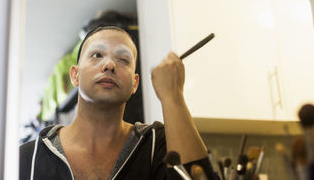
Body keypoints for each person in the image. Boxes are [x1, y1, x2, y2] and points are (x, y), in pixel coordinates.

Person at [20, 25, 215, 180]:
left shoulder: (156, 144)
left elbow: (197, 175)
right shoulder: (28, 158)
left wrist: (172, 96)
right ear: (75, 75)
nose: (110, 65)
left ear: (134, 84)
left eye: (123, 59)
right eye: (97, 55)